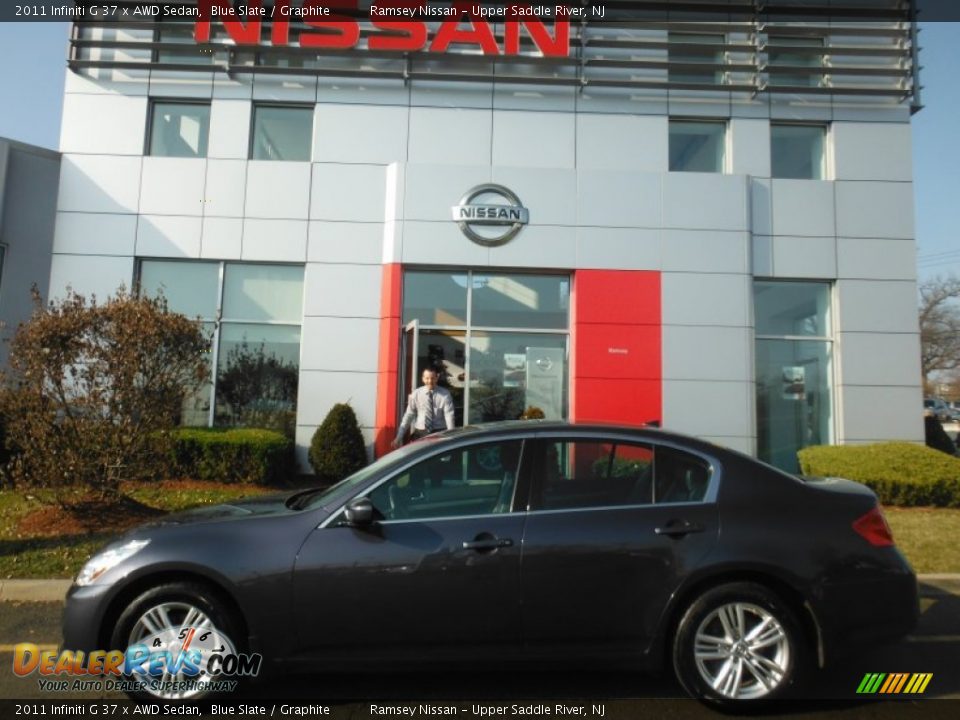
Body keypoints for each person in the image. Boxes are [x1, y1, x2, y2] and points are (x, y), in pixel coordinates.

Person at [392, 368, 456, 448]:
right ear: (423, 379)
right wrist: (399, 437)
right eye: (427, 378)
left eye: (432, 378)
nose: (430, 381)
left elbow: (449, 416)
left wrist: (451, 437)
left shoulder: (445, 394)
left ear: (437, 378)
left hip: (439, 432)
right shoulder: (416, 394)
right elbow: (409, 415)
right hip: (420, 433)